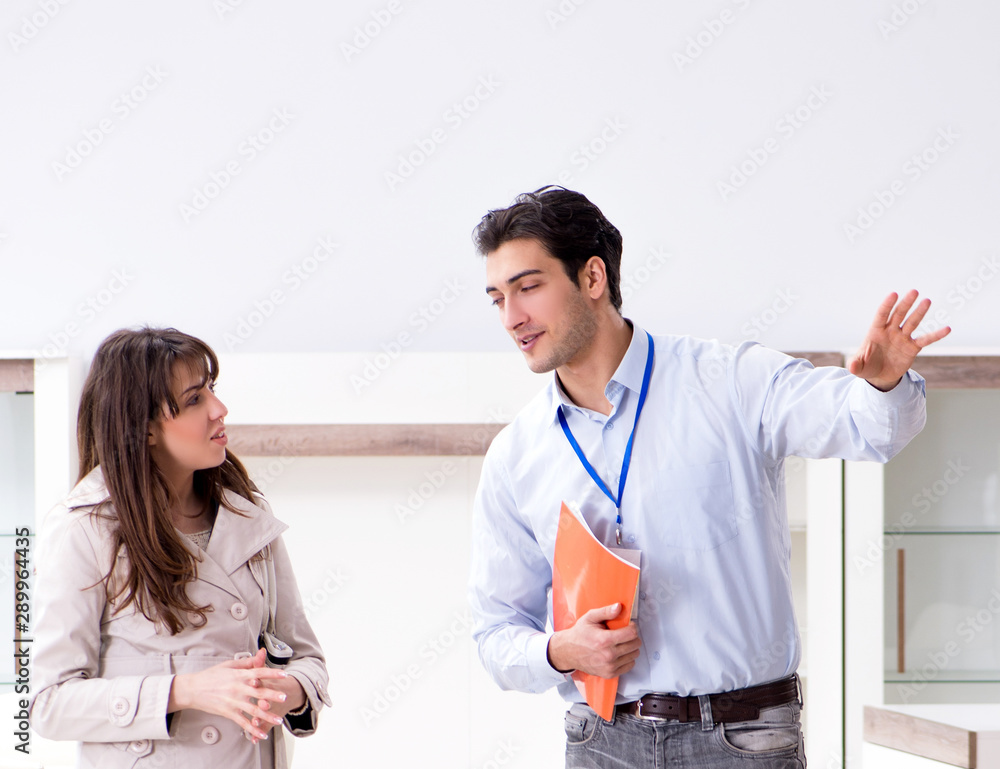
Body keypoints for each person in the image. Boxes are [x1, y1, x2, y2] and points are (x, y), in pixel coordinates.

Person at [467, 186, 951, 768]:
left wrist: (884, 386)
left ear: (592, 278)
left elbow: (871, 429)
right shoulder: (515, 455)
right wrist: (561, 650)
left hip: (742, 741)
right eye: (497, 298)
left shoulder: (729, 382)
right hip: (600, 743)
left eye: (528, 287)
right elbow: (495, 632)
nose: (512, 317)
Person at [30, 327, 330, 769]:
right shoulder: (86, 528)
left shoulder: (248, 514)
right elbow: (50, 704)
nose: (219, 410)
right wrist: (185, 690)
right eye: (194, 400)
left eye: (212, 390)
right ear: (144, 428)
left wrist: (290, 690)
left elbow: (307, 657)